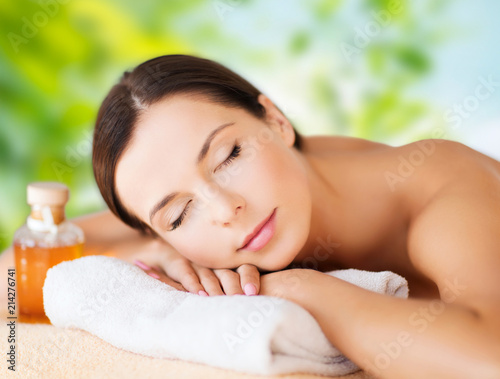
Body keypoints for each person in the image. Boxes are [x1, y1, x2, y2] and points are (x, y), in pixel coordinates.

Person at [2, 54, 500, 378]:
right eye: (178, 215)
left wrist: (301, 289)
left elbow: (486, 359)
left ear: (276, 121)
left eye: (230, 156)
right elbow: (9, 272)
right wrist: (157, 251)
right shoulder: (177, 239)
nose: (224, 208)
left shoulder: (439, 183)